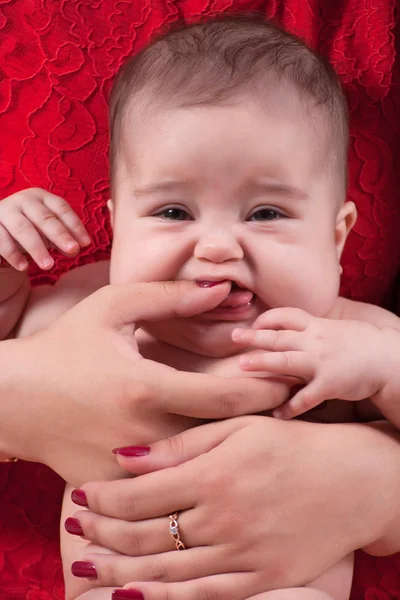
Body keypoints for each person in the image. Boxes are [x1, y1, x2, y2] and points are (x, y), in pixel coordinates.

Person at [1, 14, 400, 600]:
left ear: (336, 238)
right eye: (172, 212)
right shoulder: (92, 314)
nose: (216, 248)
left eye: (265, 213)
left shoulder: (346, 337)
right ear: (118, 227)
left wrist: (384, 369)